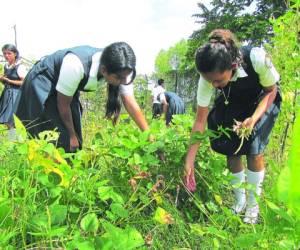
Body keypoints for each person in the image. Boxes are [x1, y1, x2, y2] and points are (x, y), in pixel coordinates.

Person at [184, 29, 281, 224]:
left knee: (254, 150)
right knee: (231, 147)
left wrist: (253, 119)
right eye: (211, 81)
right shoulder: (208, 78)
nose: (214, 85)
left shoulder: (256, 57)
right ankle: (240, 201)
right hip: (233, 101)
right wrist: (189, 161)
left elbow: (272, 90)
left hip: (263, 99)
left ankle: (253, 206)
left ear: (233, 65)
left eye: (218, 80)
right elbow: (200, 120)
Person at [15, 42, 149, 152]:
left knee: (75, 144)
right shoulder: (75, 65)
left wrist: (149, 136)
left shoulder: (122, 69)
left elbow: (130, 102)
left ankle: (68, 177)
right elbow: (63, 105)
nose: (125, 81)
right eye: (120, 78)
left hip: (65, 91)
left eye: (126, 77)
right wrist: (71, 135)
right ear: (104, 71)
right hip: (43, 83)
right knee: (56, 137)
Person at [0, 44, 28, 133]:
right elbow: (6, 82)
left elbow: (24, 82)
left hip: (16, 95)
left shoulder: (20, 67)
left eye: (9, 53)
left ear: (15, 54)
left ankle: (12, 141)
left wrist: (9, 80)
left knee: (11, 120)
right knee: (4, 119)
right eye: (4, 53)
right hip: (6, 95)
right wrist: (2, 80)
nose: (6, 56)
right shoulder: (6, 66)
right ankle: (6, 141)